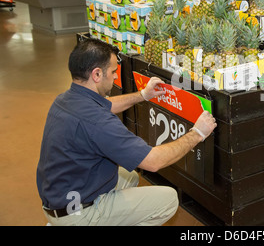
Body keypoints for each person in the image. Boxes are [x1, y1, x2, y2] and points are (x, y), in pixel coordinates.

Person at [36, 39, 216, 226]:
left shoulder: (65, 99)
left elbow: (107, 106)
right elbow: (154, 162)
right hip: (77, 213)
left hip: (59, 198)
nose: (115, 77)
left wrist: (143, 95)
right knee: (168, 200)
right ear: (97, 74)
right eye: (113, 71)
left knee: (129, 177)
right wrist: (197, 133)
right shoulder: (98, 121)